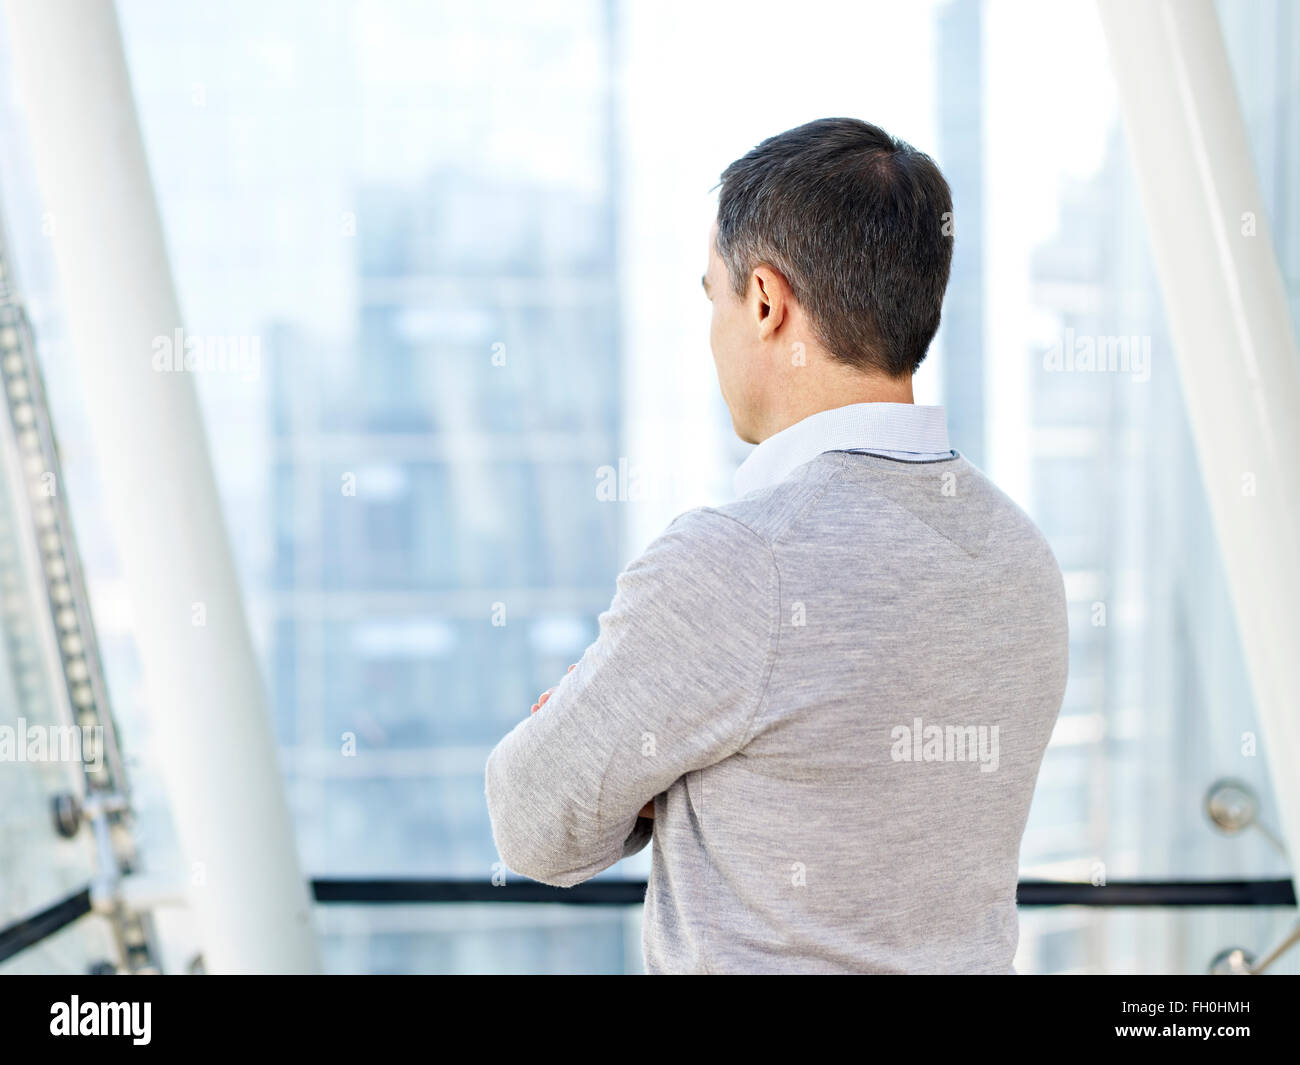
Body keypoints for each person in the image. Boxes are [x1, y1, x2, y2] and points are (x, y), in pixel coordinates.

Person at [485, 117, 1068, 974]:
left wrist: (640, 763)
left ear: (766, 301)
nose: (714, 331)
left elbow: (533, 819)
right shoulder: (1020, 557)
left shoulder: (736, 563)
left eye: (713, 296)